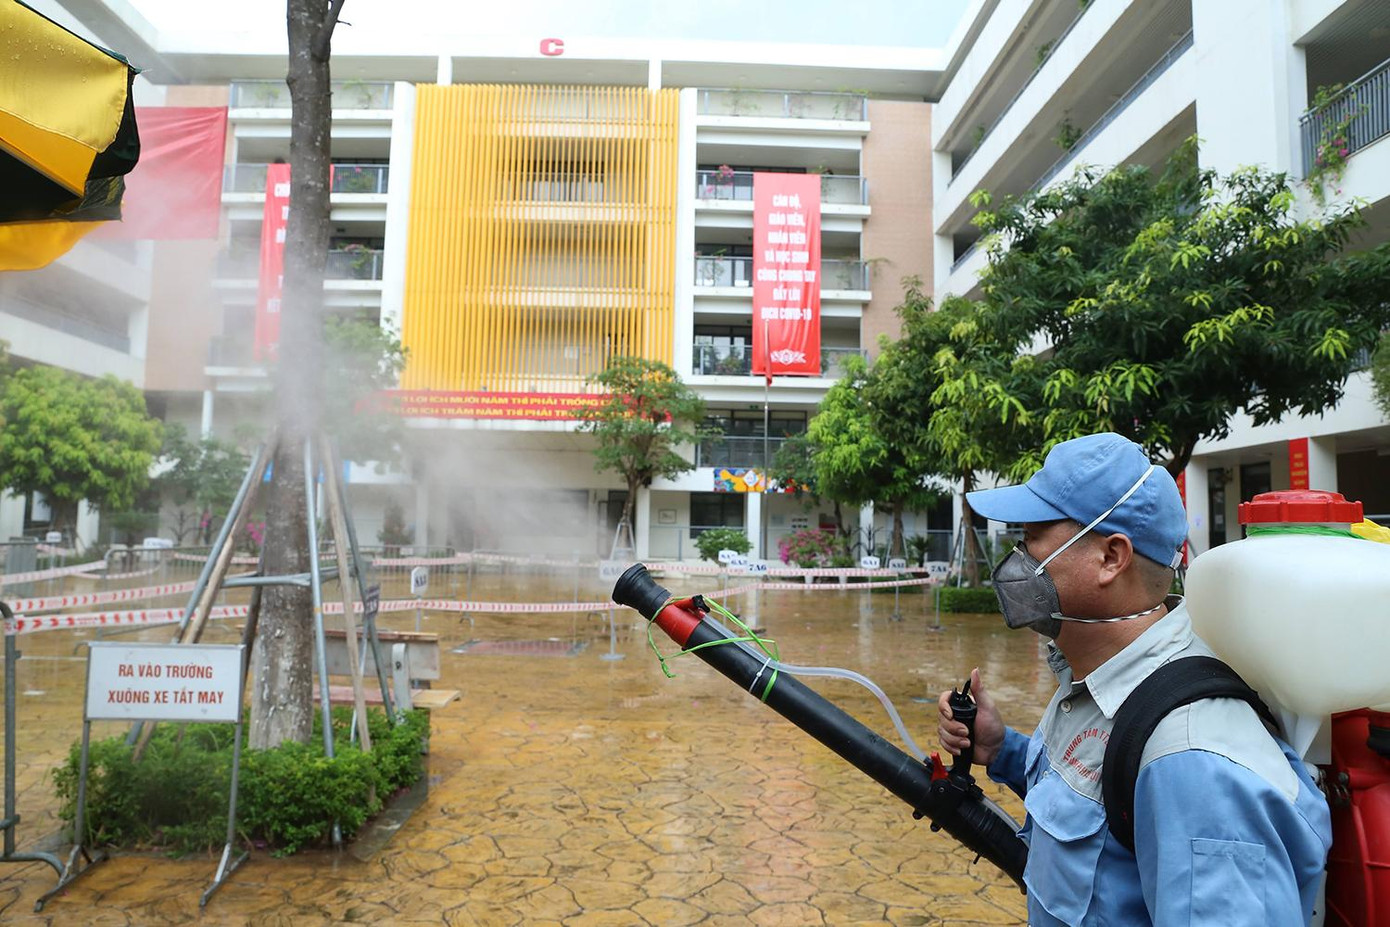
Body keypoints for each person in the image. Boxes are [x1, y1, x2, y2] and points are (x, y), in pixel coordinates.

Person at [937, 432, 1330, 925]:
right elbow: (1091, 804)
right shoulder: (1095, 681)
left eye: (1033, 536)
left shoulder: (1193, 761)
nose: (1019, 557)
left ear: (1110, 557)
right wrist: (1001, 751)